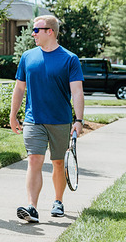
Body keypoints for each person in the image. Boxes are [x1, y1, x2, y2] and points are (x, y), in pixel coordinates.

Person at [10, 15, 84, 223]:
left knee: (58, 163)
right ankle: (32, 207)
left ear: (49, 31)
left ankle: (58, 201)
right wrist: (13, 114)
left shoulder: (70, 59)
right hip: (34, 119)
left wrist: (78, 120)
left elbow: (77, 92)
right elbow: (19, 88)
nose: (32, 34)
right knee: (34, 160)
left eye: (36, 30)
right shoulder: (27, 57)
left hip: (60, 120)